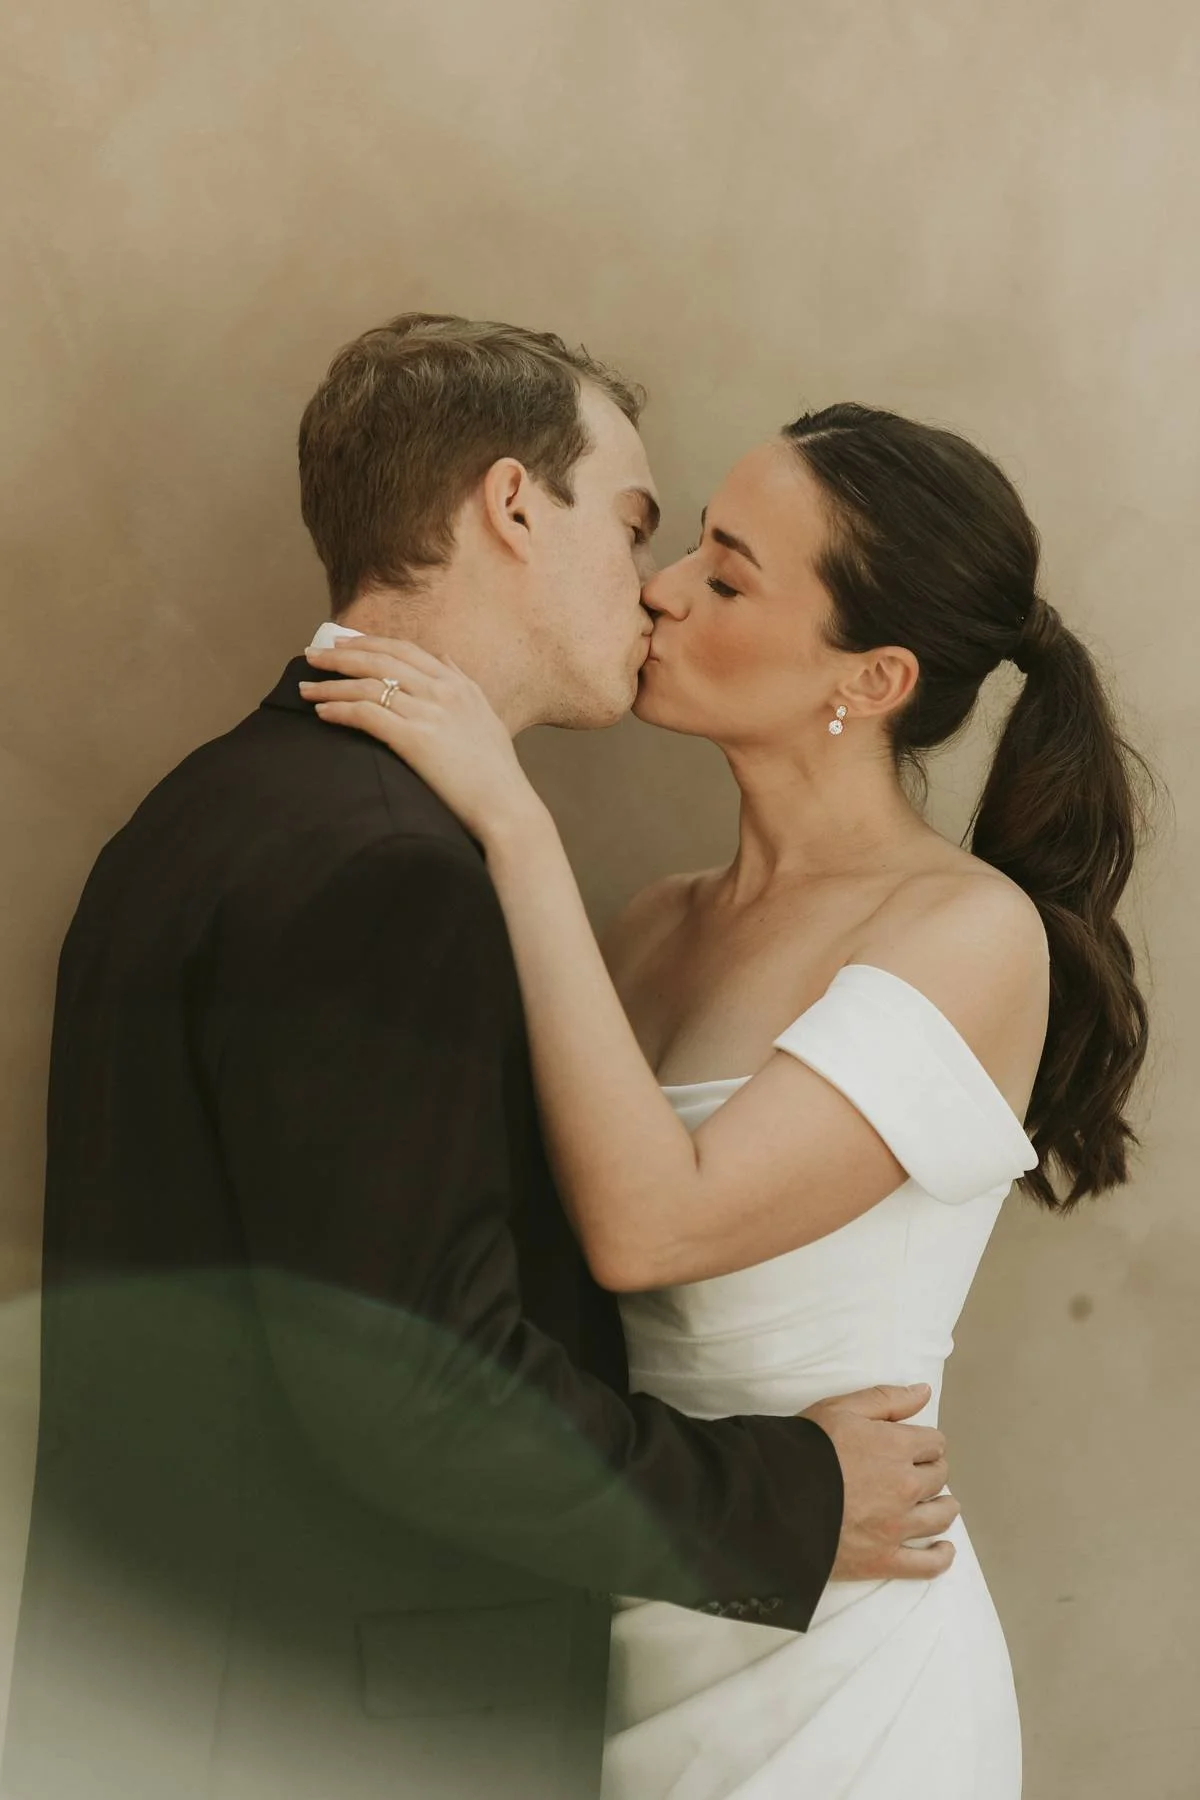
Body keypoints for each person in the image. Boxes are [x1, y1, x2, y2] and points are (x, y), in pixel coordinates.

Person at [3, 319, 958, 1800]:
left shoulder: (199, 816)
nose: (650, 586)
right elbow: (417, 1392)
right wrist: (791, 1499)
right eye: (636, 522)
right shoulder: (386, 870)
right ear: (515, 506)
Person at [300, 396, 1152, 1798]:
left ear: (872, 680)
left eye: (728, 575)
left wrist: (510, 819)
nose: (662, 589)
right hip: (624, 1611)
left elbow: (651, 1229)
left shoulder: (968, 933)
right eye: (691, 545)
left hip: (843, 1674)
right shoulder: (644, 930)